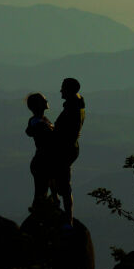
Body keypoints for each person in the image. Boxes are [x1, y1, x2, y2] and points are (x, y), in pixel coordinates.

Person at [50, 76, 86, 228]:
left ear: (69, 91)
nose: (60, 91)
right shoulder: (76, 105)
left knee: (63, 184)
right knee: (58, 180)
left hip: (65, 150)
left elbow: (67, 132)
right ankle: (59, 209)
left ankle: (67, 219)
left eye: (63, 88)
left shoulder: (72, 109)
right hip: (69, 149)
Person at [24, 92, 57, 213]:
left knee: (45, 192)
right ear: (37, 105)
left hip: (43, 161)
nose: (46, 101)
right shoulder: (39, 123)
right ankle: (38, 217)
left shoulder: (39, 120)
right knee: (41, 193)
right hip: (43, 162)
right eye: (43, 100)